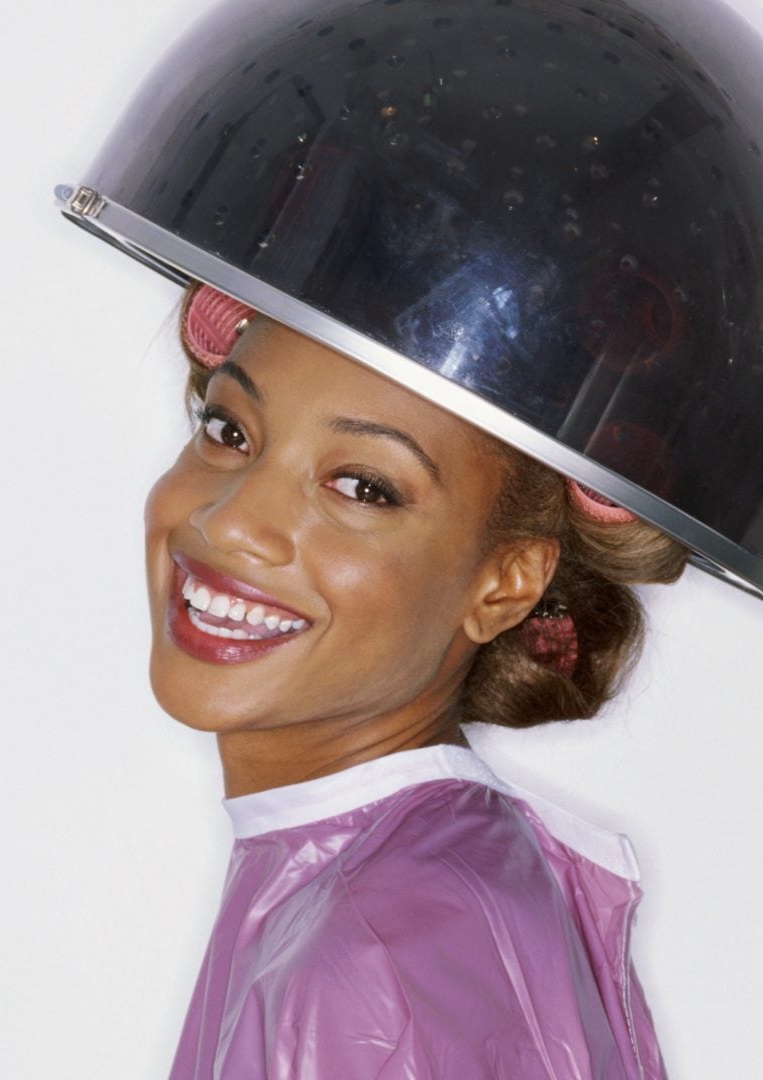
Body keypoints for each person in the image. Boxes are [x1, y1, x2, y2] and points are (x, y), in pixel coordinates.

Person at [151, 281, 686, 1079]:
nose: (229, 521)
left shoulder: (377, 957)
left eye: (362, 488)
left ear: (504, 586)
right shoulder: (408, 890)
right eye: (229, 430)